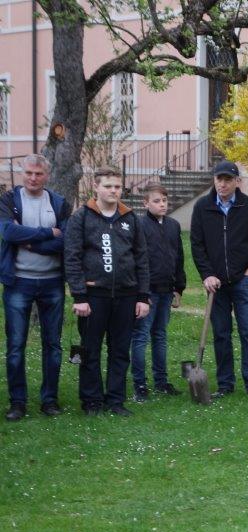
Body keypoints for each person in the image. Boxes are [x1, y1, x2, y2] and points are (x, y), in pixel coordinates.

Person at [63, 167, 150, 416]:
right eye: (108, 186)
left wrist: (143, 296)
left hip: (126, 295)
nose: (113, 191)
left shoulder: (130, 218)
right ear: (96, 187)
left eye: (117, 187)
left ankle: (115, 400)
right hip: (93, 296)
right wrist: (79, 296)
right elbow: (72, 257)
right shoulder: (81, 217)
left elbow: (142, 259)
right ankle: (91, 401)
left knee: (120, 351)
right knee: (89, 351)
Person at [190, 161, 248, 400]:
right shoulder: (202, 207)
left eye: (228, 179)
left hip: (243, 281)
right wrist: (207, 274)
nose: (223, 184)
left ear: (237, 181)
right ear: (214, 180)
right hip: (216, 284)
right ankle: (225, 384)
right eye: (219, 179)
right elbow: (197, 245)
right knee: (221, 333)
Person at [0, 154, 71, 420]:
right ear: (22, 173)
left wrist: (28, 241)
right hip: (19, 281)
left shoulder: (59, 203)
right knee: (16, 345)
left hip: (52, 282)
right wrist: (46, 233)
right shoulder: (9, 200)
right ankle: (17, 402)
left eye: (38, 174)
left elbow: (65, 240)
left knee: (53, 344)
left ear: (47, 176)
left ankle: (49, 400)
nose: (33, 178)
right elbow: (8, 233)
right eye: (29, 173)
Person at [130, 183, 185, 402]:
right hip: (148, 292)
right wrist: (141, 294)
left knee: (160, 335)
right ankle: (140, 384)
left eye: (164, 200)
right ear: (145, 203)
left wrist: (178, 287)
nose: (162, 204)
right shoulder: (139, 225)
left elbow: (179, 258)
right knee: (141, 336)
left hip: (166, 289)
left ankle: (161, 381)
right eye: (156, 201)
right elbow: (136, 260)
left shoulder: (173, 225)